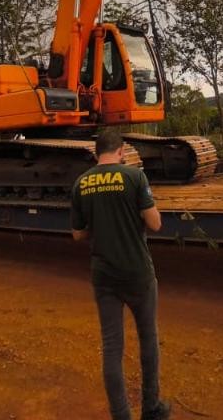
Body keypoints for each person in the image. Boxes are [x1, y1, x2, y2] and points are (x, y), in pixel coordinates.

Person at [71, 128, 171, 420]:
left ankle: (121, 415)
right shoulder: (134, 177)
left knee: (112, 346)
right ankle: (151, 409)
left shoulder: (81, 183)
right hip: (138, 272)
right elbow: (154, 224)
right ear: (121, 151)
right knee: (148, 338)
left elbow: (78, 234)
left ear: (96, 153)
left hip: (104, 276)